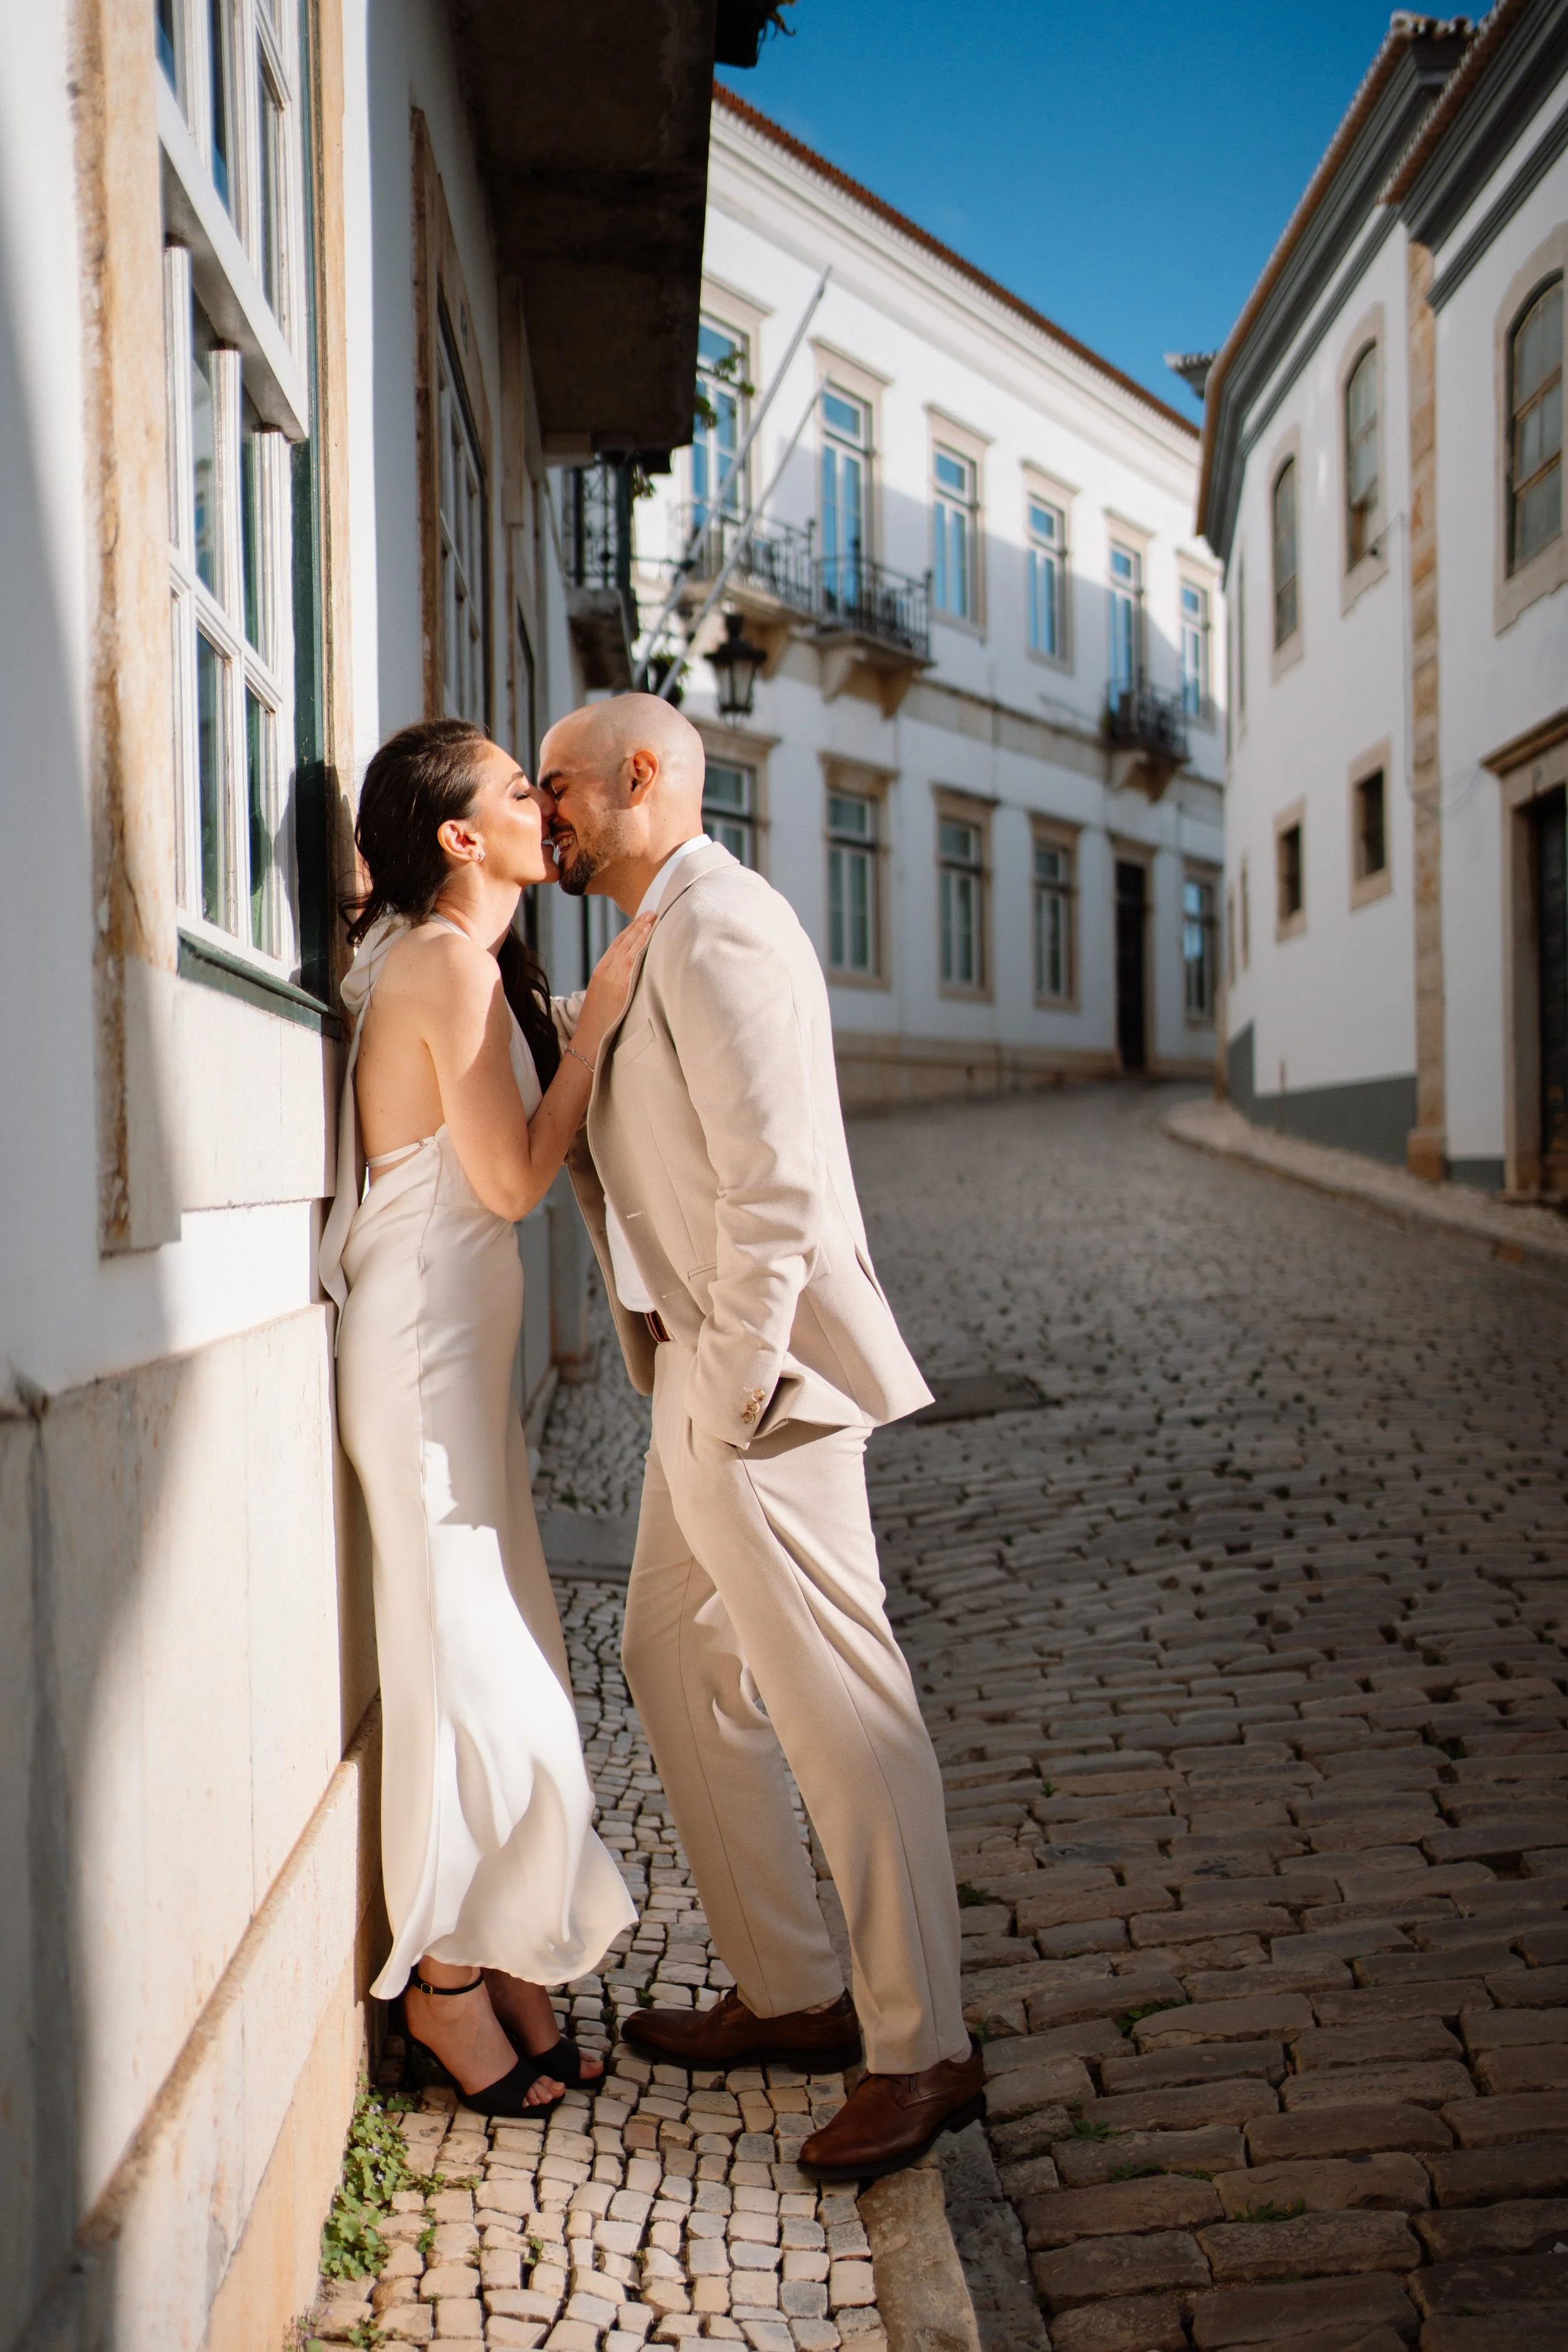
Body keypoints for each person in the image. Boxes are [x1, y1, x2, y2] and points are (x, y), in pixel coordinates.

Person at [536, 692, 983, 2180]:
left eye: (562, 787)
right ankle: (794, 1988)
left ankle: (922, 2052)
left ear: (640, 777)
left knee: (845, 1711)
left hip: (763, 1391)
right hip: (696, 1384)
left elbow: (779, 1189)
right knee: (667, 1657)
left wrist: (724, 1390)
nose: (550, 813)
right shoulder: (646, 932)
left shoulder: (724, 927)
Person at [319, 716, 650, 2115]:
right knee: (478, 1679)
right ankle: (446, 1984)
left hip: (450, 1364)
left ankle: (506, 1951)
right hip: (420, 1367)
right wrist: (601, 1019)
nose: (543, 804)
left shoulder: (452, 957)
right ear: (463, 838)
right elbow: (511, 1183)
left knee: (505, 1651)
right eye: (521, 791)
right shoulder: (447, 965)